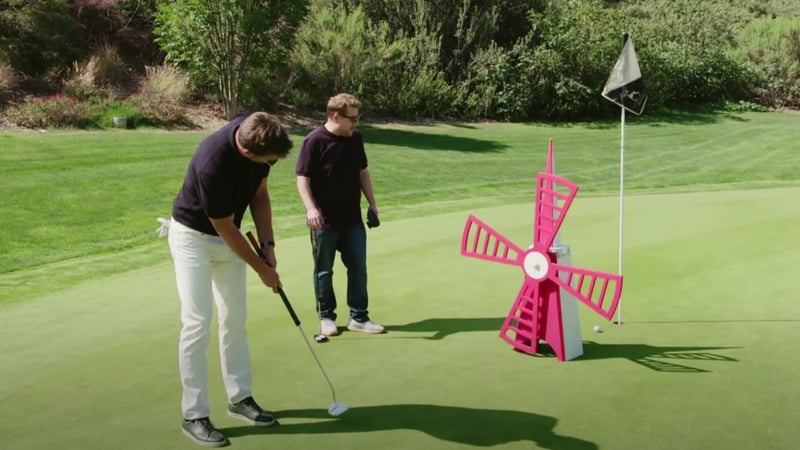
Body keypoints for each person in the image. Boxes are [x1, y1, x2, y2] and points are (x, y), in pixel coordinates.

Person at [161, 112, 292, 447]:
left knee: (234, 318)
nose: (272, 163)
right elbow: (225, 228)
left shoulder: (261, 133)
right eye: (269, 160)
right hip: (194, 238)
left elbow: (260, 194)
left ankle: (240, 397)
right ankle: (194, 414)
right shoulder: (212, 162)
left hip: (226, 235)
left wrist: (268, 245)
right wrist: (262, 269)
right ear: (248, 153)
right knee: (197, 321)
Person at [295, 93, 384, 337]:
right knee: (324, 270)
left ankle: (359, 317)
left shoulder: (356, 139)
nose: (355, 124)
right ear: (335, 116)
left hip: (352, 218)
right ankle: (326, 317)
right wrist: (311, 208)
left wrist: (373, 205)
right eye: (351, 119)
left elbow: (363, 173)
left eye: (357, 118)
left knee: (358, 268)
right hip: (323, 221)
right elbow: (302, 180)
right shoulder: (314, 141)